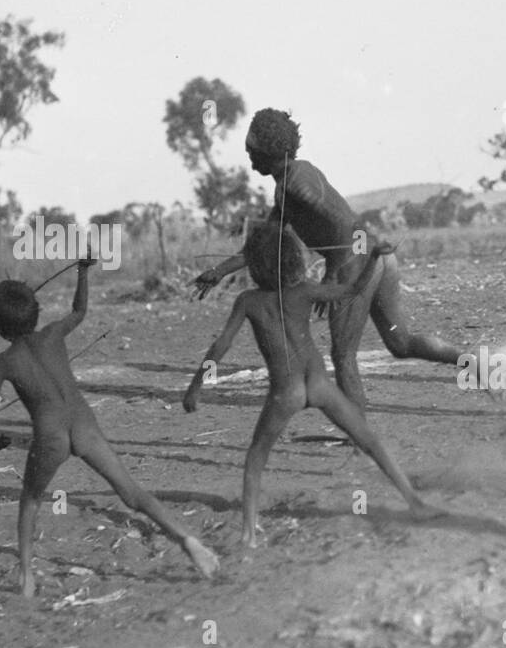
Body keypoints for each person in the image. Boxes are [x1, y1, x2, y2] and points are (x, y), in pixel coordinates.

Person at [183, 221, 442, 548]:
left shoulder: (248, 302)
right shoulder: (304, 290)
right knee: (370, 442)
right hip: (319, 383)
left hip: (285, 392)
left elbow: (221, 346)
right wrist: (374, 257)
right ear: (292, 258)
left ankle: (249, 534)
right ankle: (416, 504)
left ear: (255, 264)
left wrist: (195, 387)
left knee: (256, 458)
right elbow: (352, 292)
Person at [191, 109, 463, 409]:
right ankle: (469, 361)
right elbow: (262, 243)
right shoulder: (290, 183)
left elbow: (345, 224)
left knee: (343, 356)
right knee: (401, 343)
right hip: (375, 256)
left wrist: (333, 273)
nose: (249, 157)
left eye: (251, 150)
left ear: (267, 150)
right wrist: (218, 272)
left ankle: (358, 439)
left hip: (355, 261)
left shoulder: (295, 181)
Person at [0, 258, 218, 598]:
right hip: (84, 425)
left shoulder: (3, 362)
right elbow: (79, 311)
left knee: (31, 500)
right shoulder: (52, 334)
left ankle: (28, 575)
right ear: (36, 312)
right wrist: (82, 273)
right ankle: (186, 538)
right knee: (132, 493)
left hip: (51, 438)